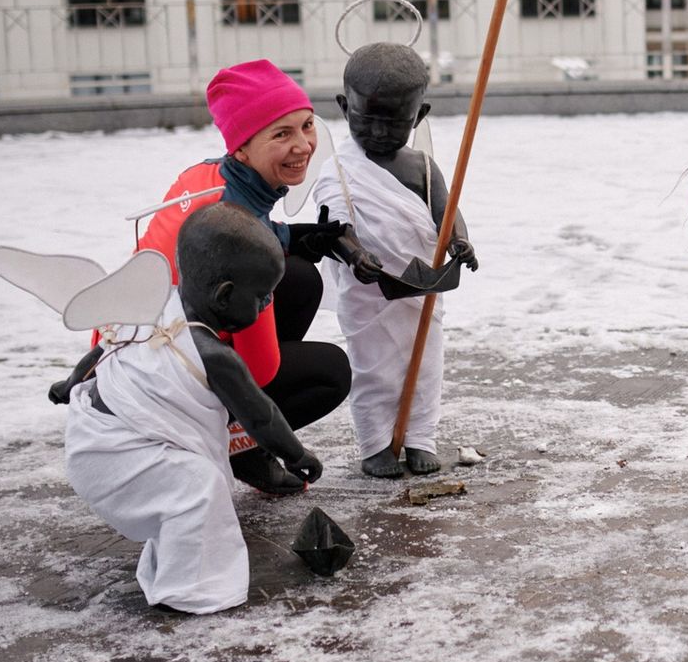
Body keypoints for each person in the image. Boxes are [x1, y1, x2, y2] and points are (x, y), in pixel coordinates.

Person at [125, 60, 379, 495]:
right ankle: (236, 443)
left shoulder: (204, 176)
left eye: (306, 126)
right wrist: (267, 422)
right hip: (168, 381)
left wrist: (302, 237)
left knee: (299, 278)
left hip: (130, 349)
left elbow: (259, 228)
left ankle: (232, 427)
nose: (304, 146)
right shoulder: (236, 237)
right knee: (332, 372)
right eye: (281, 135)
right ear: (242, 148)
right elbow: (260, 369)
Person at [63, 204, 323, 614]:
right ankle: (189, 588)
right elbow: (261, 416)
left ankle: (174, 560)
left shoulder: (150, 307)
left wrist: (69, 384)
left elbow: (102, 348)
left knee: (181, 485)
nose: (267, 303)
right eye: (261, 296)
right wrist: (297, 454)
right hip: (121, 458)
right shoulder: (212, 354)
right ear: (225, 296)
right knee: (198, 489)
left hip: (89, 439)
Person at [310, 42, 478, 479]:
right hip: (368, 292)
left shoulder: (423, 166)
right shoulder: (339, 170)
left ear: (419, 116)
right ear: (345, 107)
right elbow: (334, 225)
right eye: (368, 120)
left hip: (423, 290)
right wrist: (353, 254)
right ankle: (376, 443)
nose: (381, 133)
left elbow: (446, 211)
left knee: (424, 366)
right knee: (375, 370)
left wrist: (460, 242)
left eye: (395, 123)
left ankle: (421, 438)